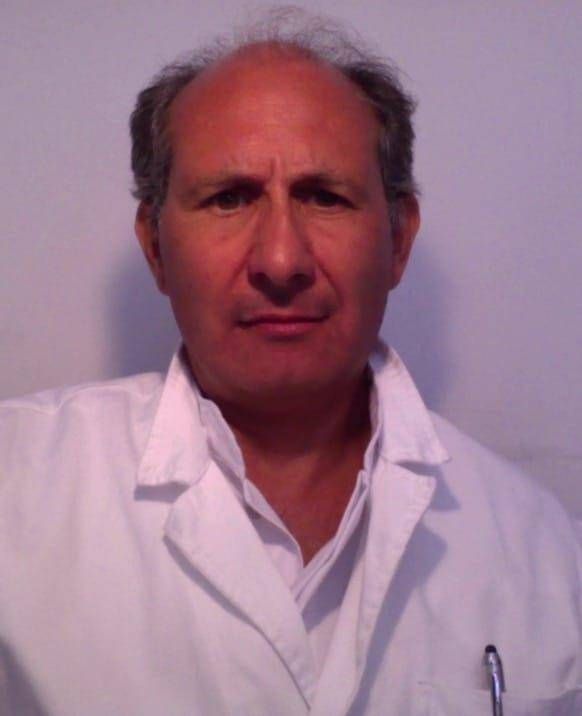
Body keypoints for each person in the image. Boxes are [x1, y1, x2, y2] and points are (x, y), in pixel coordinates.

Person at [1, 13, 581, 716]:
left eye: (325, 197)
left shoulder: (543, 550)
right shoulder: (17, 490)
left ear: (398, 241)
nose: (281, 261)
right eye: (229, 198)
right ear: (155, 246)